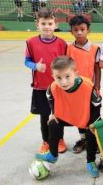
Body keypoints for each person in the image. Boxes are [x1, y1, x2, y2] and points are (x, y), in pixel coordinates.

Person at [35, 56, 102, 178]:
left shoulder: (88, 86)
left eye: (67, 76)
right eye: (58, 78)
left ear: (76, 73)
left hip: (85, 117)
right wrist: (54, 113)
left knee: (92, 131)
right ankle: (53, 155)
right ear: (53, 77)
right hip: (66, 115)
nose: (63, 82)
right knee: (52, 123)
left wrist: (93, 122)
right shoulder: (53, 87)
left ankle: (90, 161)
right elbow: (49, 97)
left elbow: (97, 105)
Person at [24, 8, 67, 154]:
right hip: (40, 87)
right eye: (43, 23)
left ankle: (60, 139)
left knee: (59, 115)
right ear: (38, 25)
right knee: (44, 116)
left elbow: (66, 63)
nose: (47, 26)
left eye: (50, 23)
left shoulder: (62, 43)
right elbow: (27, 61)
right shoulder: (31, 43)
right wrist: (36, 66)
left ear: (55, 24)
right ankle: (46, 141)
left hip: (58, 87)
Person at [66, 15, 101, 154]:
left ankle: (96, 140)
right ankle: (83, 139)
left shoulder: (95, 49)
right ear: (71, 32)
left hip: (90, 88)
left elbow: (97, 69)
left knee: (93, 116)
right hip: (74, 90)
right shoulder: (68, 49)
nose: (79, 32)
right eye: (76, 30)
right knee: (79, 116)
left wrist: (97, 86)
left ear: (88, 30)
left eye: (82, 29)